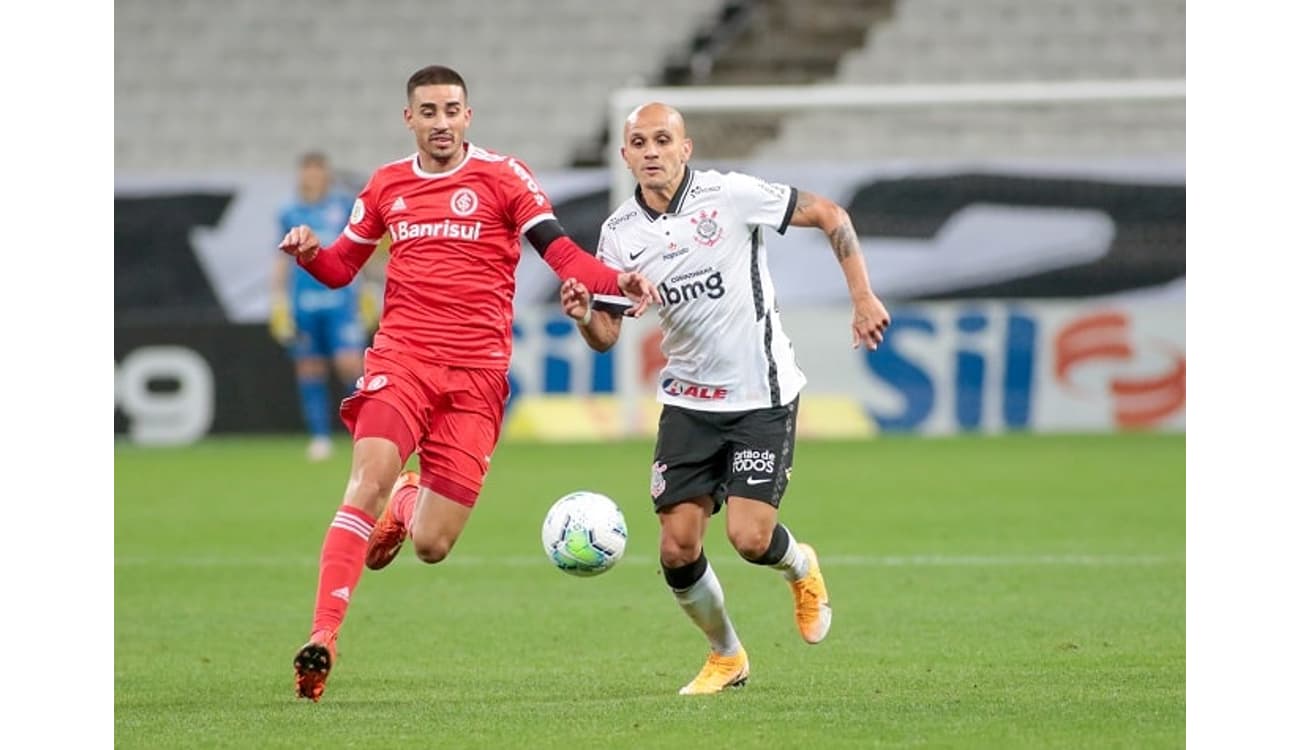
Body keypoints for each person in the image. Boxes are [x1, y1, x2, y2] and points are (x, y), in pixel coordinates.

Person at [277, 65, 660, 702]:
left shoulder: (503, 177)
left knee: (432, 543)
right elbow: (344, 267)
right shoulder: (386, 185)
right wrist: (312, 252)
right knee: (364, 480)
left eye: (451, 109)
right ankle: (323, 636)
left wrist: (613, 280)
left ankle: (407, 504)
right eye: (428, 111)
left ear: (468, 115)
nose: (441, 122)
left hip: (476, 377)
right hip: (401, 360)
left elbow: (561, 252)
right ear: (410, 119)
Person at [559, 102, 891, 695]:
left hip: (761, 394)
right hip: (688, 401)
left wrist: (862, 297)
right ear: (625, 156)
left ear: (686, 149)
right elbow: (607, 337)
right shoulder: (617, 236)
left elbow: (829, 213)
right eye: (640, 142)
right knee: (677, 548)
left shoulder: (730, 196)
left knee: (749, 538)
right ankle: (727, 657)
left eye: (664, 140)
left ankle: (801, 566)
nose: (652, 151)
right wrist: (586, 313)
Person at [270, 152, 380, 461]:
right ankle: (319, 437)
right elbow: (281, 258)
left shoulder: (343, 207)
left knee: (349, 364)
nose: (313, 178)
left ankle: (363, 432)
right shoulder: (289, 212)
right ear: (301, 176)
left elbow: (361, 248)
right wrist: (277, 300)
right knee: (309, 367)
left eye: (318, 172)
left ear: (326, 175)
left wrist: (370, 288)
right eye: (308, 172)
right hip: (303, 302)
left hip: (341, 301)